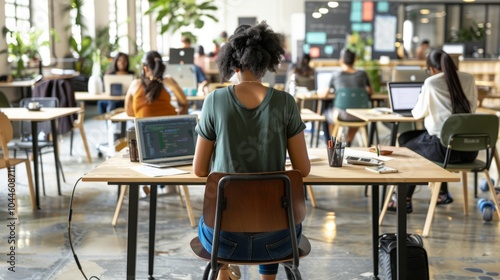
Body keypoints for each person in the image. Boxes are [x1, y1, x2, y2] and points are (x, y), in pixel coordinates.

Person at [193, 21, 311, 280]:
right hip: (279, 239)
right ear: (266, 62)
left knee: (214, 219)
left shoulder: (214, 100)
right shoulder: (285, 103)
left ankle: (224, 273)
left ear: (231, 62)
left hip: (224, 240)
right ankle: (267, 277)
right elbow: (303, 169)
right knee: (274, 213)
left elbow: (200, 170)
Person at [387, 49, 478, 213]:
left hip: (444, 151)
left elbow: (417, 113)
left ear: (432, 69)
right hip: (470, 149)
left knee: (406, 145)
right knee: (409, 137)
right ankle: (441, 193)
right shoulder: (469, 78)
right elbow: (473, 108)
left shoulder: (431, 82)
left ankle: (404, 200)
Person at [318, 48, 373, 145]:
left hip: (341, 115)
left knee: (326, 114)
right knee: (356, 109)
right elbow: (370, 92)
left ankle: (334, 142)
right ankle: (348, 140)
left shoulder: (336, 75)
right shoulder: (363, 74)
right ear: (354, 60)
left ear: (341, 60)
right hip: (361, 115)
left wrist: (319, 93)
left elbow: (325, 94)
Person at [125, 50, 188, 117]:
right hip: (170, 124)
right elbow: (184, 103)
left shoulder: (136, 84)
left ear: (145, 68)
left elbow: (129, 112)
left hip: (145, 126)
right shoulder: (168, 81)